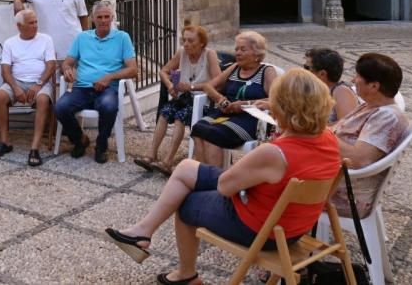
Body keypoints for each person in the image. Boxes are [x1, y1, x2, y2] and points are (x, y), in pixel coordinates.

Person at [104, 68, 342, 285]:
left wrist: (266, 151)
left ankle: (186, 275)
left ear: (283, 107)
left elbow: (225, 187)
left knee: (186, 202)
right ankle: (142, 232)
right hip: (294, 225)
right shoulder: (330, 139)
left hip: (263, 230)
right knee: (186, 168)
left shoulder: (276, 152)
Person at [55, 0, 138, 164]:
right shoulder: (82, 38)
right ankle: (80, 140)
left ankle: (101, 144)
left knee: (108, 106)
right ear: (93, 19)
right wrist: (67, 69)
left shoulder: (122, 38)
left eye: (107, 16)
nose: (103, 20)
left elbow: (133, 69)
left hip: (108, 89)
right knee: (60, 107)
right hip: (82, 88)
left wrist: (109, 77)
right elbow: (67, 62)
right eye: (99, 17)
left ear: (112, 17)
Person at [332, 52, 408, 216]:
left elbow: (359, 159)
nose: (353, 80)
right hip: (333, 176)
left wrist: (318, 133)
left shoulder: (387, 117)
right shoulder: (370, 105)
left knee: (273, 181)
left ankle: (280, 235)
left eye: (358, 76)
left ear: (374, 86)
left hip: (344, 193)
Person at [136, 25, 219, 176]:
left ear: (201, 42)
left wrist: (191, 86)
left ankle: (168, 161)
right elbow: (163, 71)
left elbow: (218, 82)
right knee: (165, 113)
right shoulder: (182, 52)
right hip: (185, 97)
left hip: (203, 100)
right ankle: (151, 154)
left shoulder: (209, 55)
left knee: (180, 117)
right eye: (184, 40)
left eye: (190, 40)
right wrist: (170, 85)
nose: (186, 44)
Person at [190, 30, 278, 168]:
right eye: (236, 49)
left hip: (250, 119)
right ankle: (204, 176)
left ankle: (216, 181)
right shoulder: (235, 68)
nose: (237, 53)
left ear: (256, 53)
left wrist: (244, 104)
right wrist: (220, 99)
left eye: (243, 49)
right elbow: (208, 87)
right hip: (226, 114)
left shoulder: (266, 71)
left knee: (214, 134)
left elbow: (276, 100)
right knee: (198, 129)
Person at [0, 9, 56, 166]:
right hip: (17, 82)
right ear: (19, 26)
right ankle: (4, 142)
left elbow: (51, 65)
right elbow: (5, 70)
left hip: (40, 83)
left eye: (36, 22)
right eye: (31, 23)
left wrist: (38, 84)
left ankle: (35, 148)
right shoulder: (10, 42)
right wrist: (15, 87)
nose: (35, 25)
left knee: (42, 100)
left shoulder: (45, 39)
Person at [304, 47, 357, 123]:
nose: (303, 71)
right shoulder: (315, 91)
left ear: (322, 74)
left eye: (307, 68)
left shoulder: (341, 91)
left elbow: (346, 126)